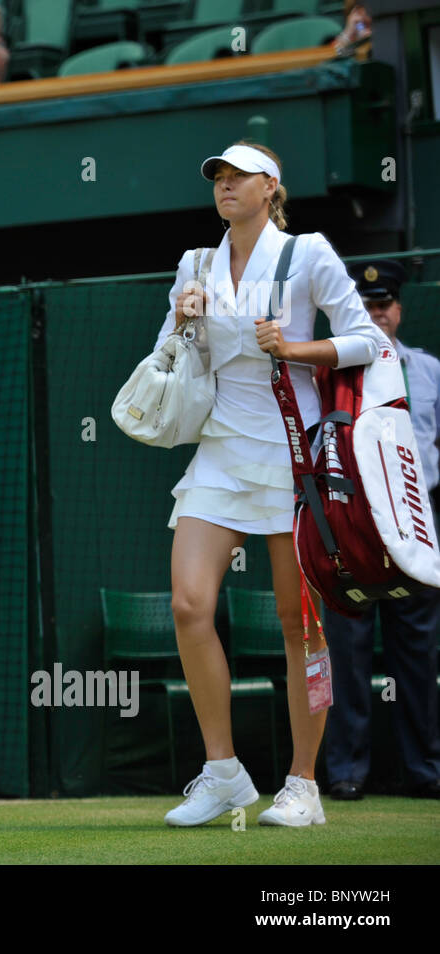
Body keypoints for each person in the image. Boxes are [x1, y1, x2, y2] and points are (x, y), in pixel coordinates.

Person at [155, 141, 389, 828]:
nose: (225, 186)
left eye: (237, 177)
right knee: (188, 605)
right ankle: (224, 772)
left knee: (299, 624)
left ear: (270, 187)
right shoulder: (195, 263)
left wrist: (292, 348)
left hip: (297, 459)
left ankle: (304, 784)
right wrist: (183, 318)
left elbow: (367, 342)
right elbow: (170, 354)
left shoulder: (308, 252)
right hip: (220, 454)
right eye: (217, 178)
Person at [321, 260, 440, 802]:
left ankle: (425, 770)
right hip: (351, 519)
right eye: (366, 306)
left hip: (417, 520)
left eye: (384, 305)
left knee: (418, 647)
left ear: (399, 309)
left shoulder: (430, 370)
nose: (378, 314)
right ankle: (346, 770)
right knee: (345, 645)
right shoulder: (332, 369)